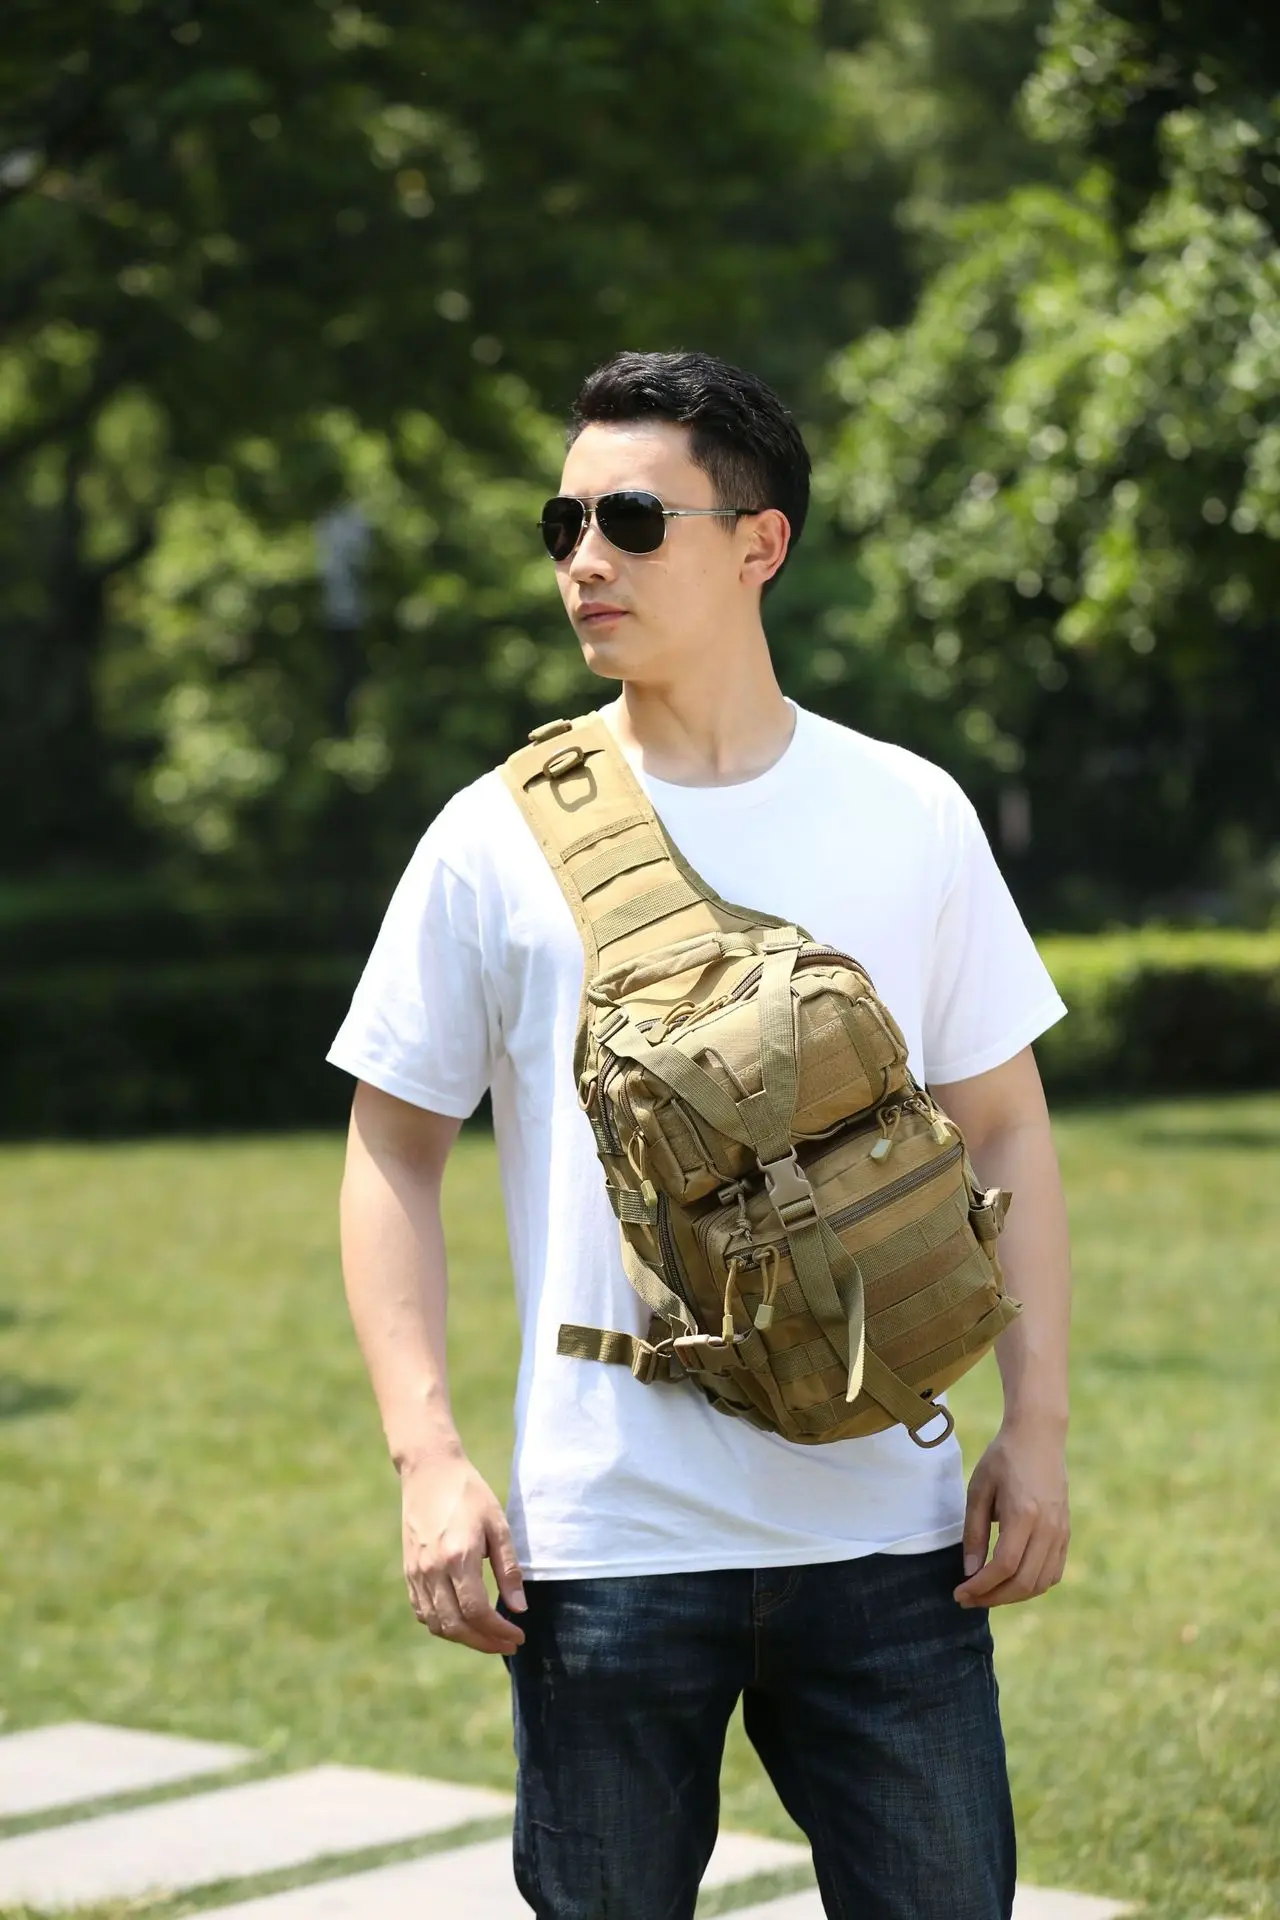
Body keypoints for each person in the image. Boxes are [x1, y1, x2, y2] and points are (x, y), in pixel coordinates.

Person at [327, 349, 1072, 1920]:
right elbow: (392, 1148)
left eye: (630, 520)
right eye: (563, 525)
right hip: (608, 1539)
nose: (584, 560)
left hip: (888, 1524)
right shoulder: (495, 835)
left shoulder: (910, 810)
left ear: (759, 542)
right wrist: (427, 1456)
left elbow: (1006, 1122)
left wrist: (1041, 1426)